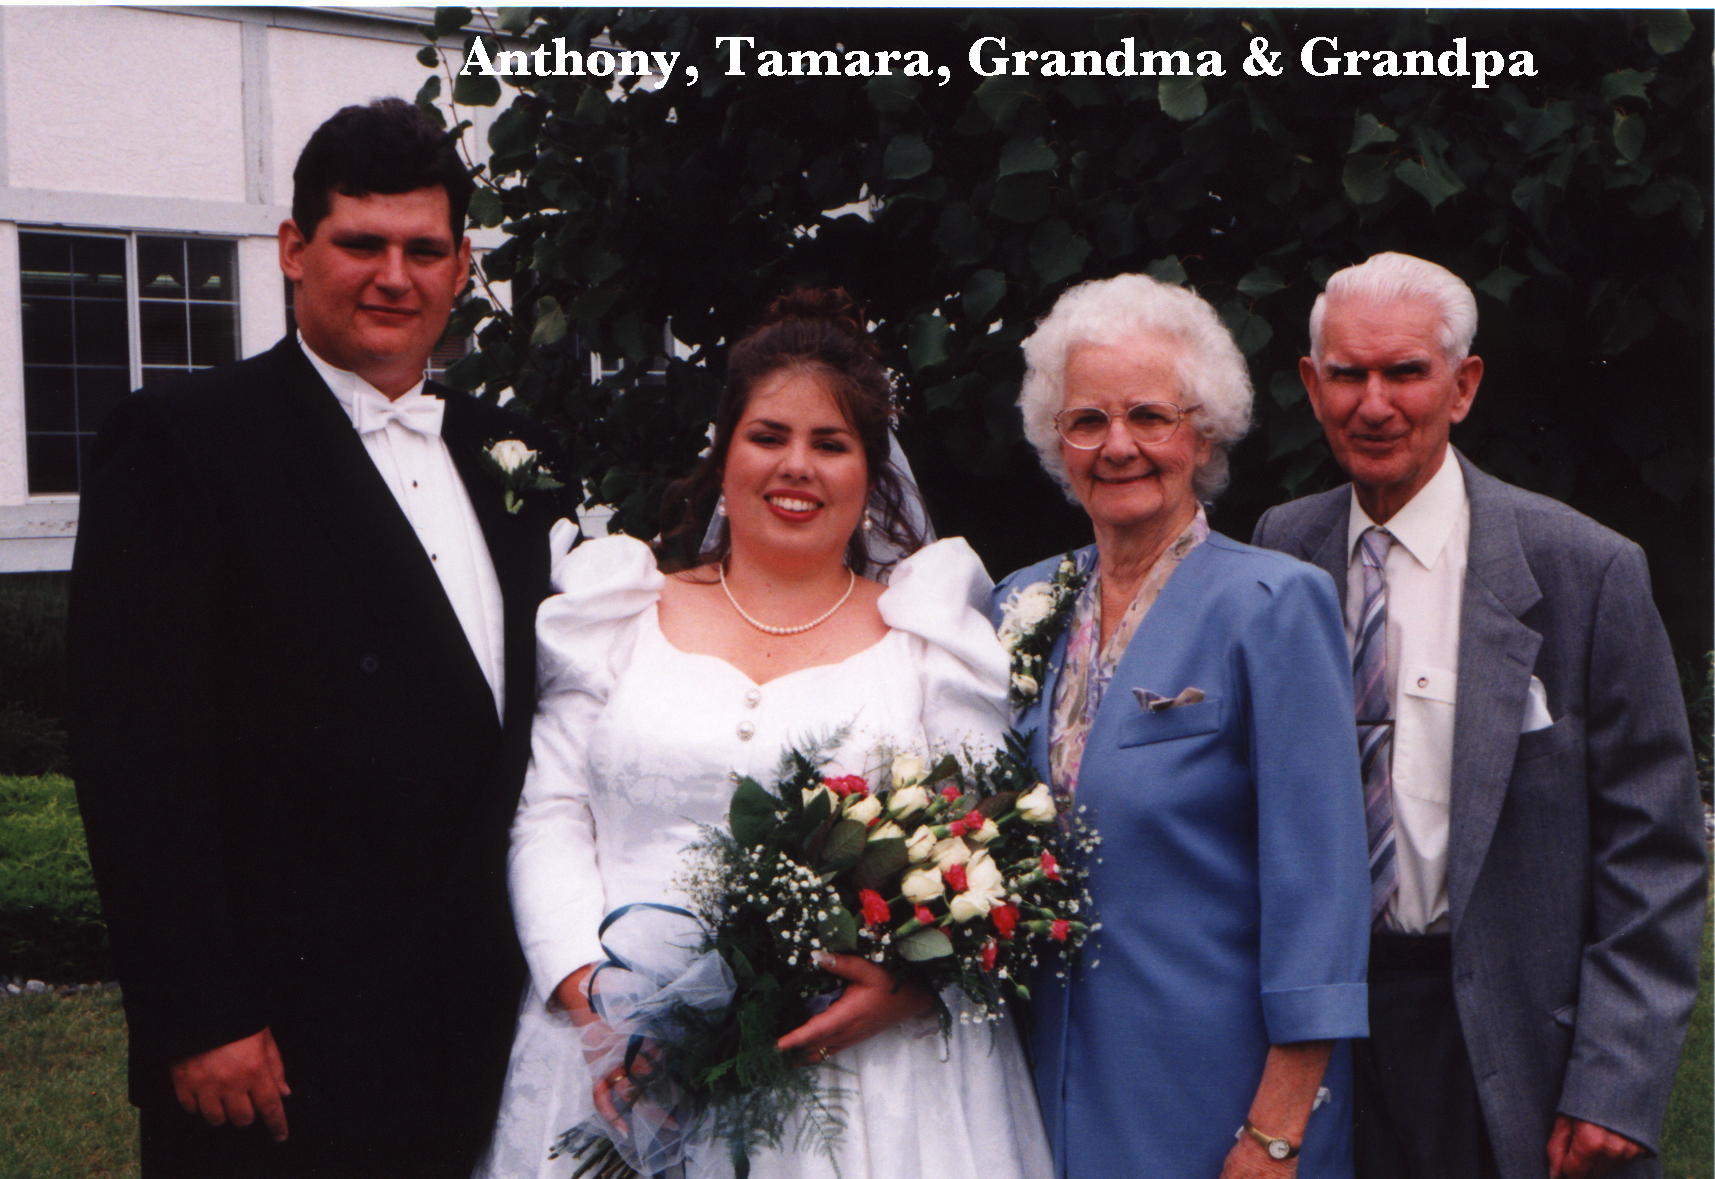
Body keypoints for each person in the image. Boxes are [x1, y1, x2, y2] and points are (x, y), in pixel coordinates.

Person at [68, 98, 560, 1176]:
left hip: (474, 1023)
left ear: (461, 263)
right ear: (296, 249)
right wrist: (200, 1016)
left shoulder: (505, 453)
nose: (395, 276)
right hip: (277, 1048)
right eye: (361, 244)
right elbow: (133, 755)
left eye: (424, 250)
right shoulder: (186, 445)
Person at [480, 288, 1053, 1178]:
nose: (797, 467)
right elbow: (550, 816)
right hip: (614, 1054)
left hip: (864, 1082)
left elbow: (983, 852)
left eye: (831, 444)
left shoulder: (928, 640)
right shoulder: (618, 612)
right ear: (722, 453)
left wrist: (902, 991)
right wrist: (597, 1009)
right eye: (768, 436)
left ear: (870, 471)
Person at [1252, 251, 1706, 1179]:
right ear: (1310, 384)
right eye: (1347, 373)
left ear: (1462, 387)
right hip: (1325, 1028)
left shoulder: (1583, 569)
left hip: (1505, 1031)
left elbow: (1652, 850)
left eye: (1404, 372)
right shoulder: (1279, 550)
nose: (1372, 403)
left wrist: (1613, 1080)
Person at [994, 273, 1371, 1177]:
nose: (1117, 445)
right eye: (1087, 420)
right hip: (1040, 1086)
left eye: (1149, 417)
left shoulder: (1271, 603)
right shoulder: (1019, 603)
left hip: (1217, 1097)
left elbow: (1319, 884)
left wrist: (1276, 1127)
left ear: (1201, 433)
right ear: (1056, 439)